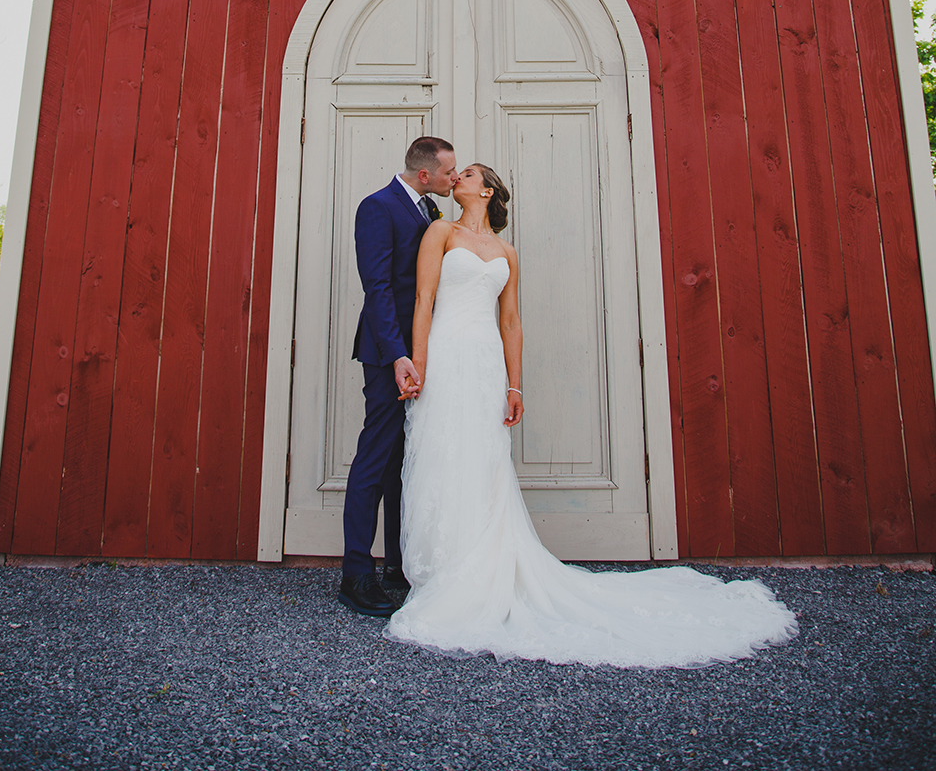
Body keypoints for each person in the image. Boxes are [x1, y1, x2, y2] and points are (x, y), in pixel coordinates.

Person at [387, 163, 799, 667]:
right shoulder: (439, 231)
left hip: (486, 363)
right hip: (447, 356)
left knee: (485, 461)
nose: (458, 179)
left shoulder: (507, 253)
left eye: (467, 173)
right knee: (442, 453)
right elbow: (425, 299)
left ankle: (485, 567)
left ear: (486, 189)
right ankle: (441, 571)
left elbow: (512, 322)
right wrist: (419, 364)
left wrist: (515, 383)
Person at [338, 136, 458, 618]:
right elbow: (379, 287)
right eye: (450, 172)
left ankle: (396, 564)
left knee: (403, 460)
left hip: (422, 352)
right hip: (390, 354)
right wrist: (397, 356)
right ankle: (355, 573)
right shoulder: (378, 207)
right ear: (425, 174)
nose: (455, 178)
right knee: (376, 454)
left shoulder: (428, 210)